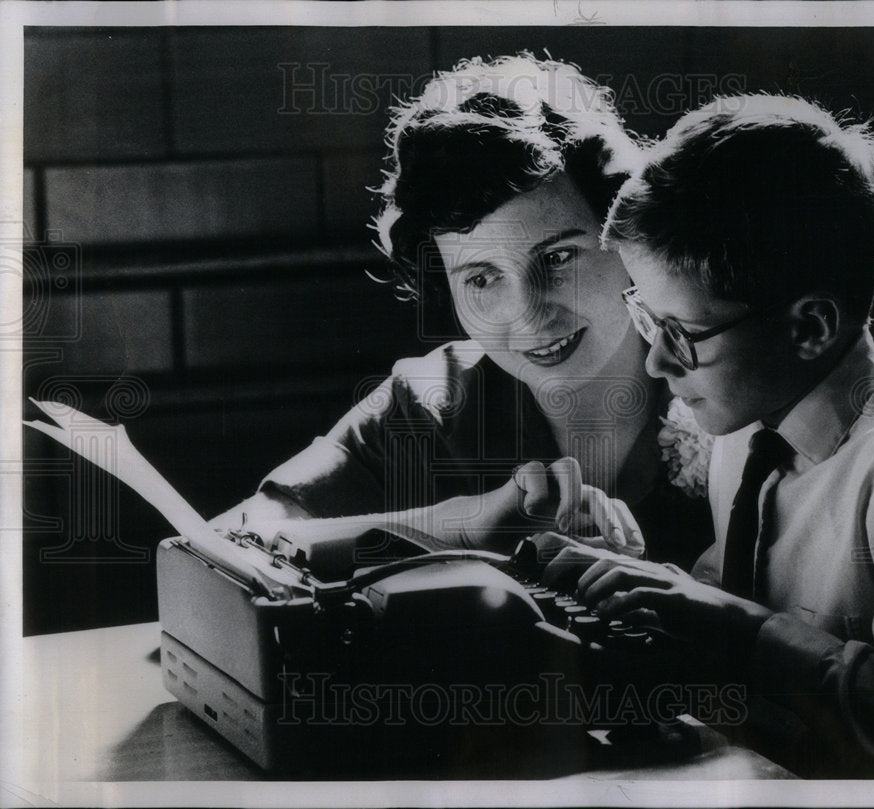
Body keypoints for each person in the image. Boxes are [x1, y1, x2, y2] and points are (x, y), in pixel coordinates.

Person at [543, 94, 874, 777]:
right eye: (647, 321)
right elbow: (727, 602)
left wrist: (740, 630)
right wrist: (635, 582)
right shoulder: (748, 431)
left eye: (681, 333)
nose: (656, 362)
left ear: (809, 328)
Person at [214, 54, 711, 567]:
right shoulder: (427, 405)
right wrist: (455, 528)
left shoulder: (723, 370)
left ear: (626, 237)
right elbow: (222, 547)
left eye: (558, 258)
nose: (526, 314)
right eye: (481, 277)